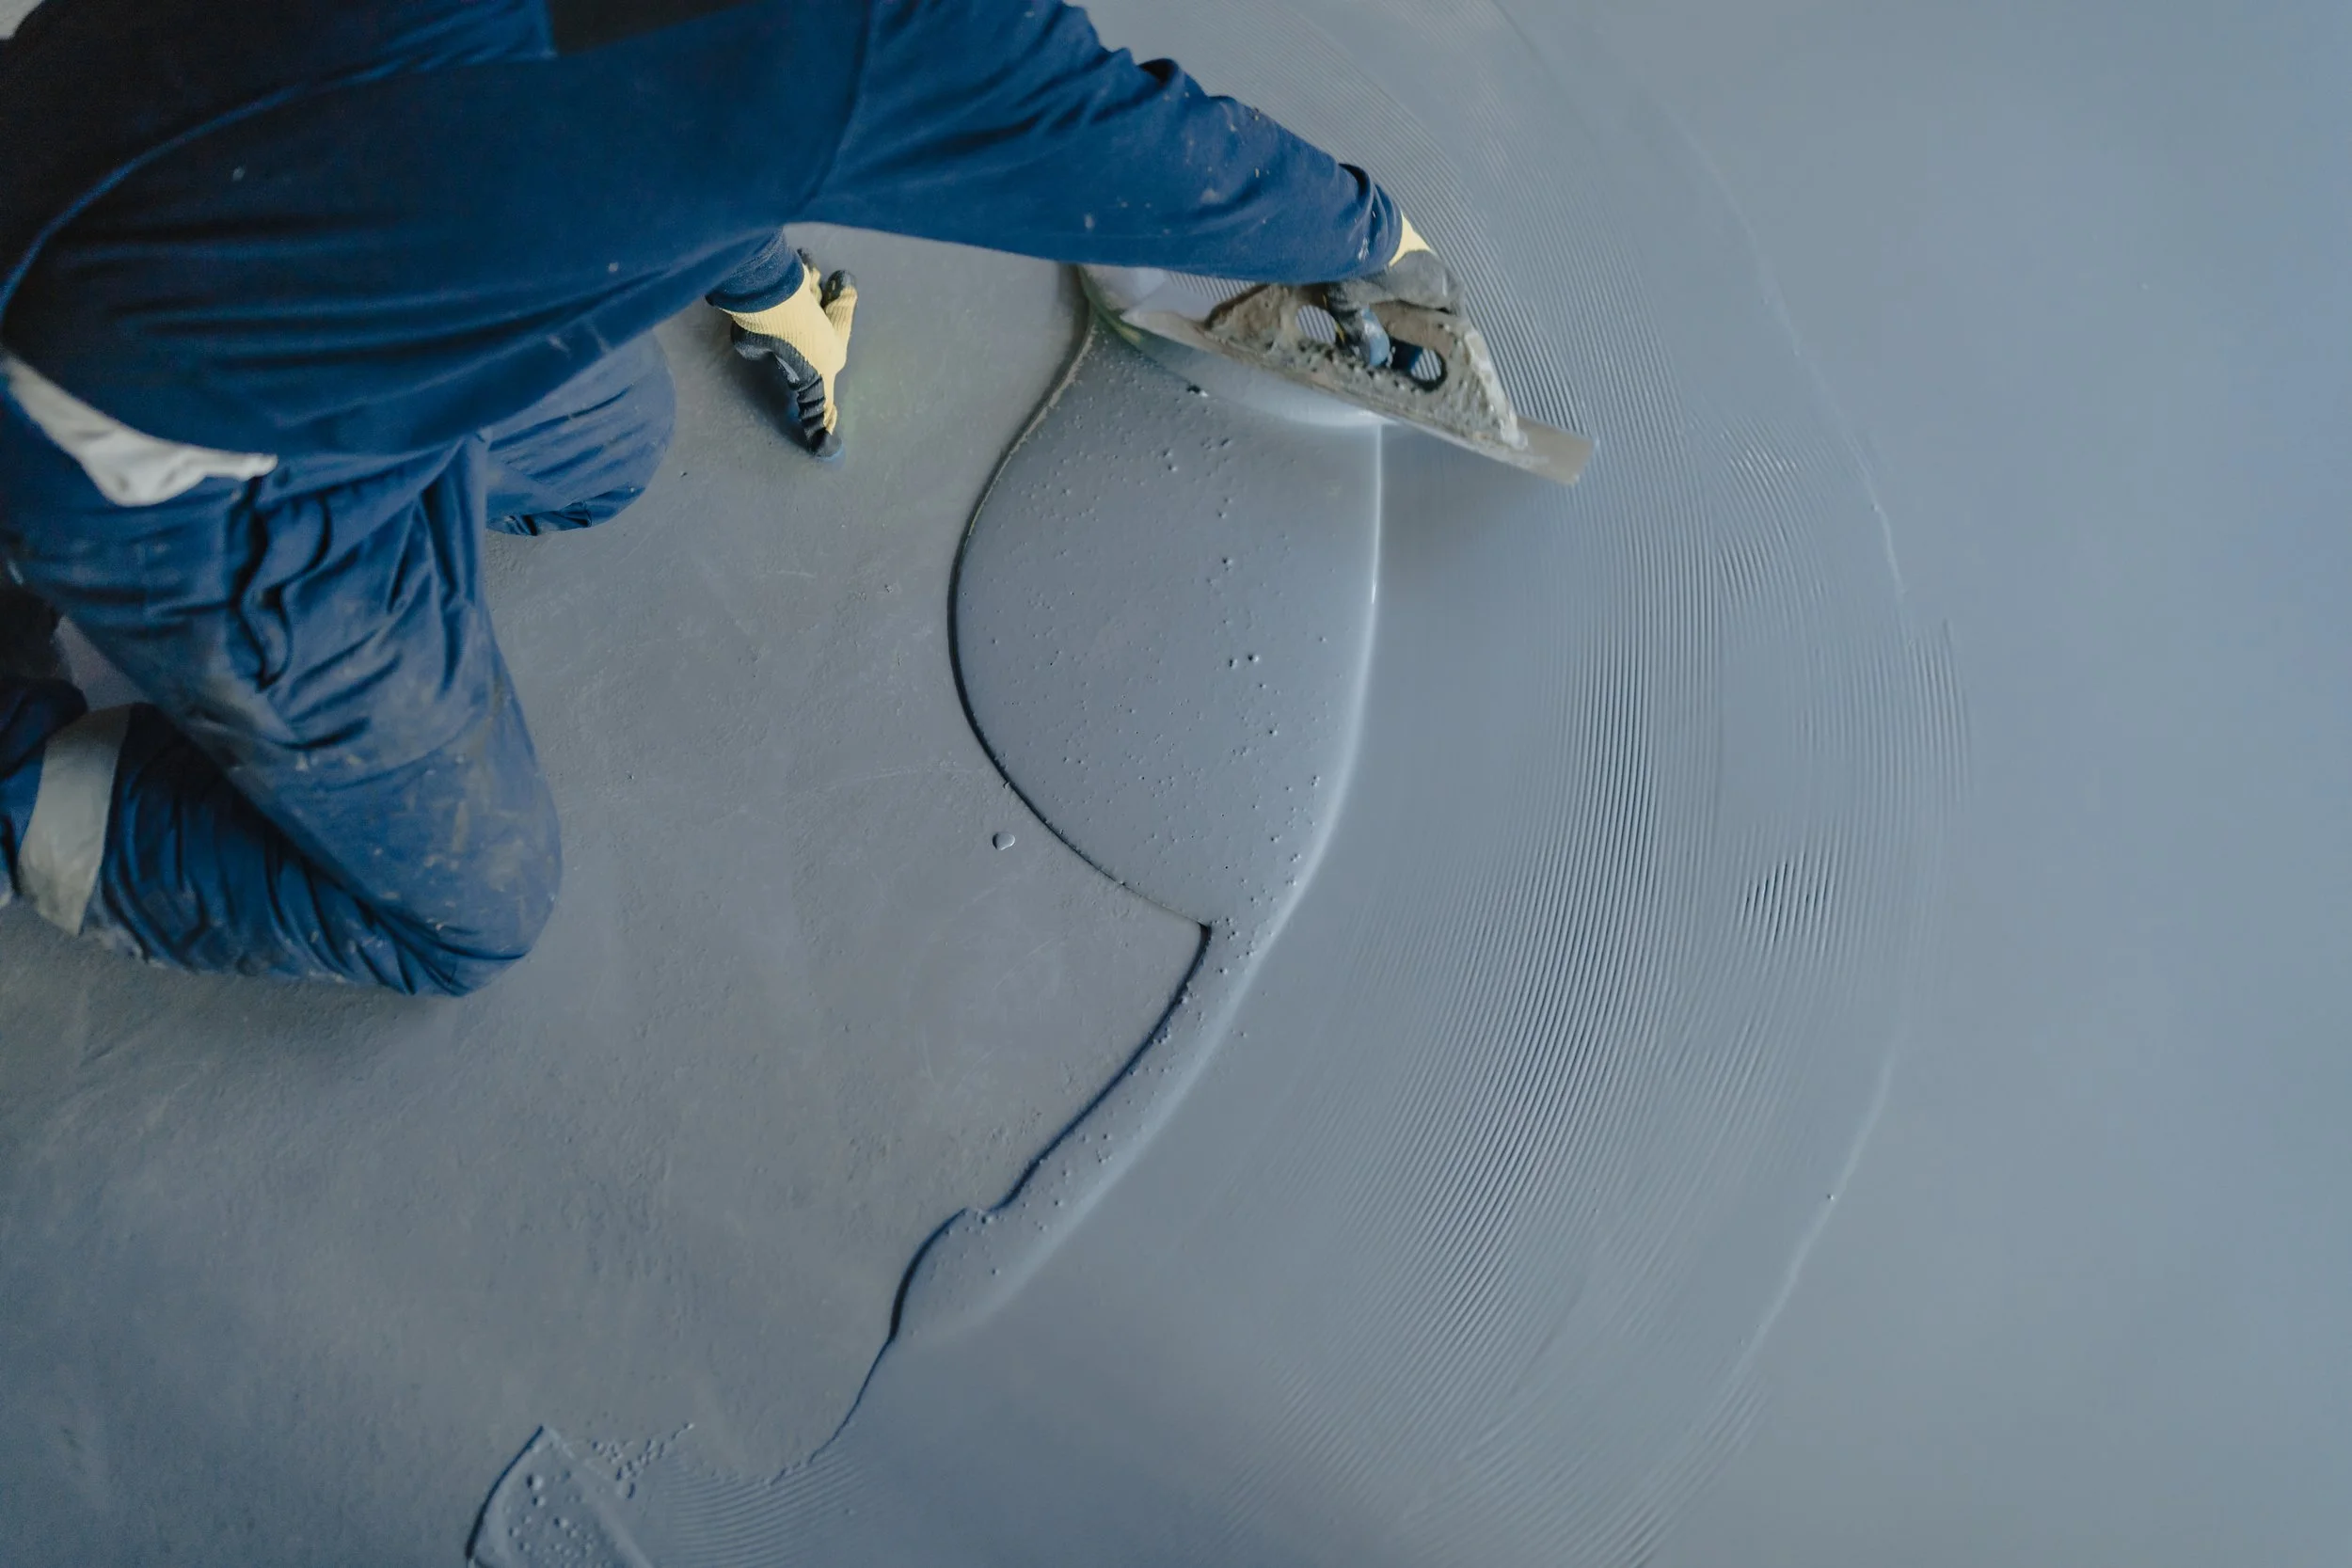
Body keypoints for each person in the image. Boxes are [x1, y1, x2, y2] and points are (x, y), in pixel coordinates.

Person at [0, 0, 1456, 994]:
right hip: (160, 442)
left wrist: (758, 277)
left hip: (134, 172)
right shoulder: (901, 41)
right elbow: (1154, 166)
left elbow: (614, 54)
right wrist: (1378, 236)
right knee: (467, 914)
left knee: (611, 449)